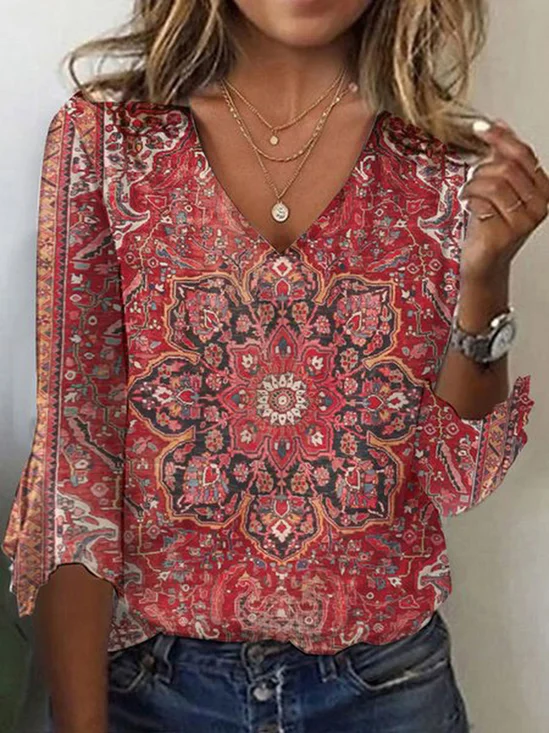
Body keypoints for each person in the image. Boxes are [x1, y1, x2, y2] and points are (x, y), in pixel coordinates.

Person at [3, 1, 548, 731]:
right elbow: (76, 465)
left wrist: (485, 277)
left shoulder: (441, 163)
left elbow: (460, 479)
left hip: (384, 689)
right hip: (152, 686)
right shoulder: (111, 141)